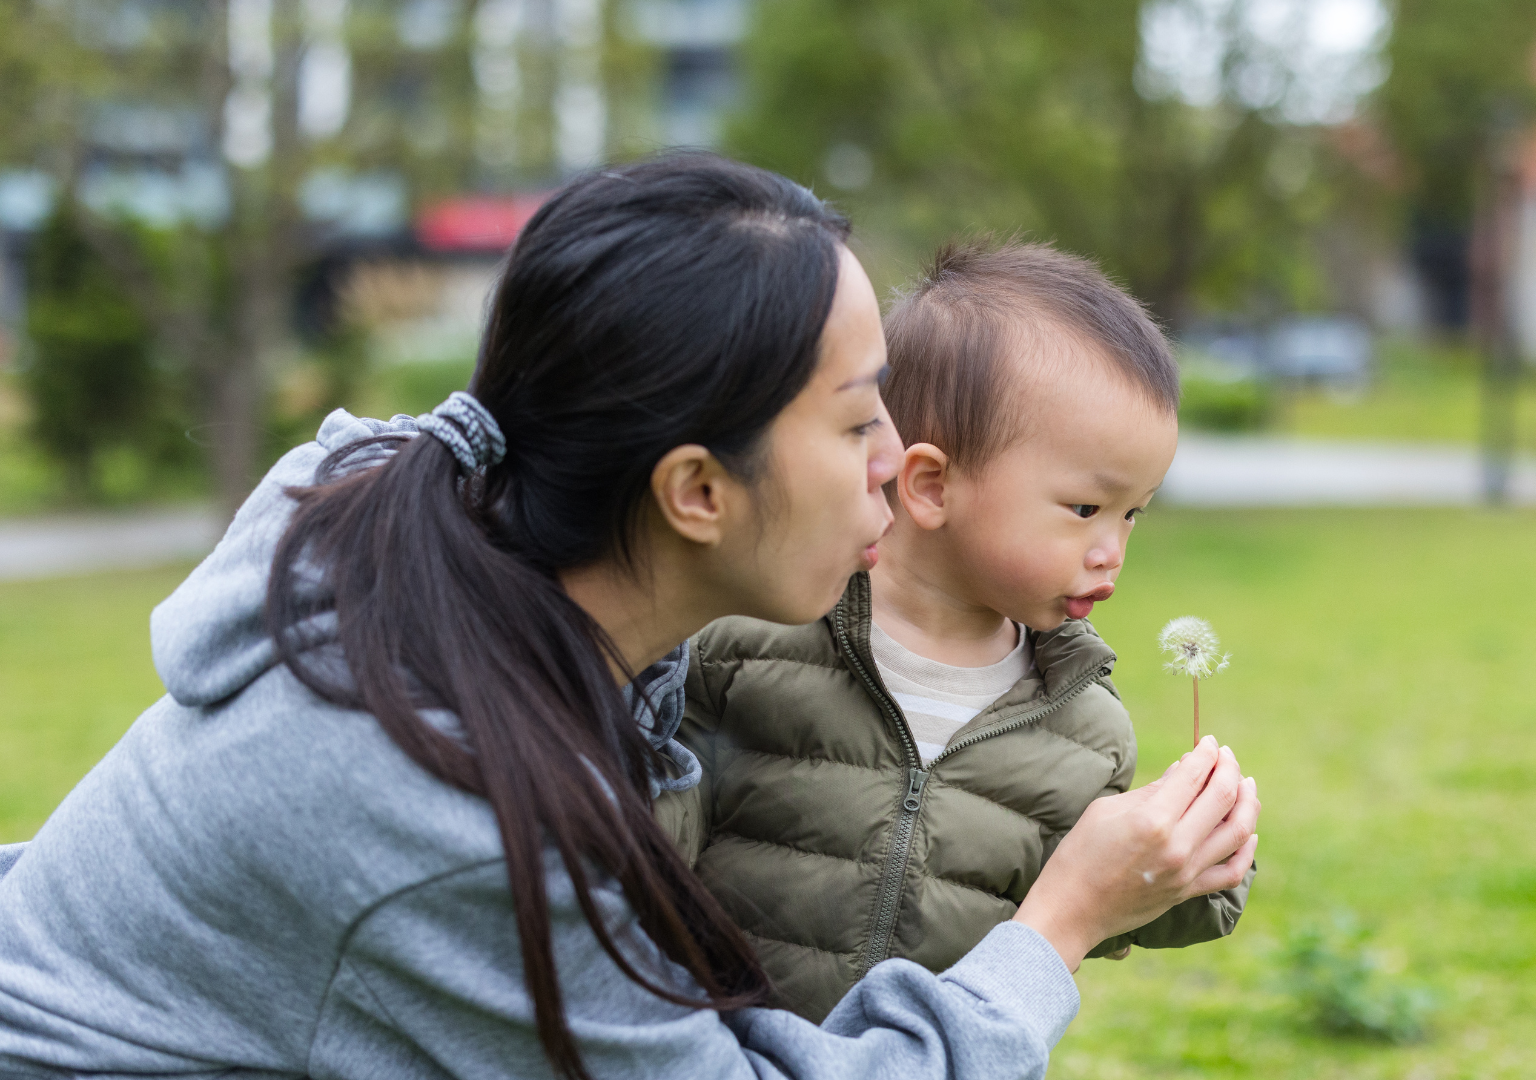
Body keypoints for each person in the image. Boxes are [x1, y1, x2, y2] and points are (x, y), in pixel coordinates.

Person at [0, 153, 1258, 1080]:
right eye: (857, 418)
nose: (899, 465)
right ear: (696, 491)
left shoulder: (452, 549)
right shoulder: (459, 809)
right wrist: (1060, 924)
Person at [664, 240, 1249, 1022]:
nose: (1113, 549)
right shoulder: (755, 640)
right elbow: (644, 845)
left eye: (1133, 512)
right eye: (1085, 508)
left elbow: (1106, 901)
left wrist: (1200, 856)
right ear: (932, 485)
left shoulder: (1083, 727)